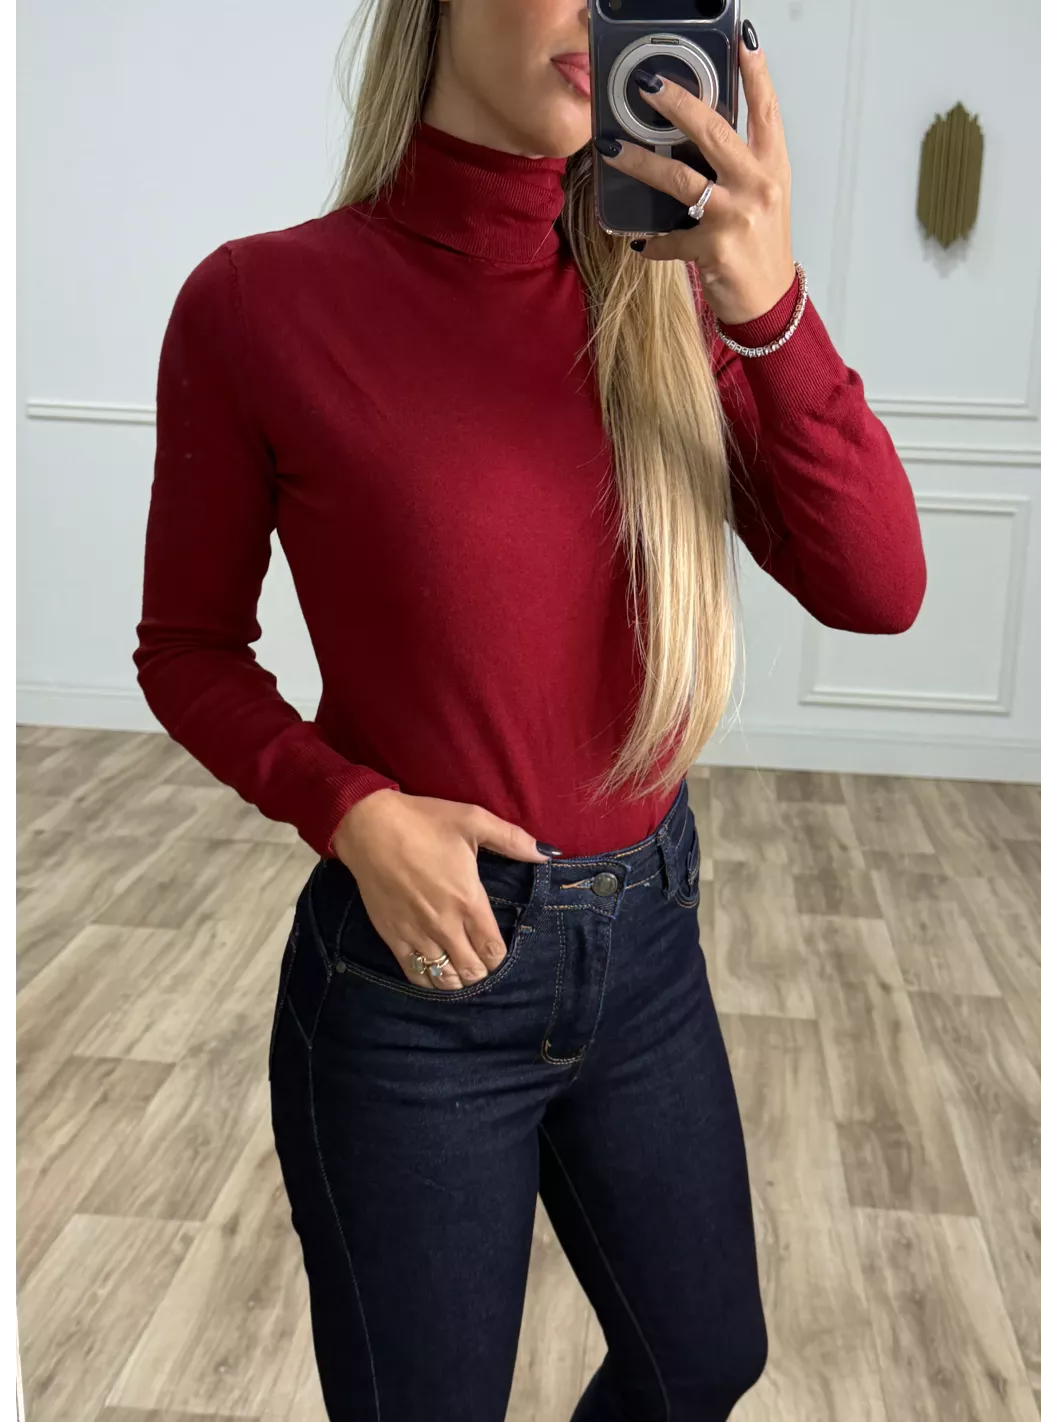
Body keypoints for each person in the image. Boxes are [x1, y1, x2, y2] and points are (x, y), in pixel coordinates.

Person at [133, 2, 926, 1418]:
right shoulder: (259, 304)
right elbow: (186, 649)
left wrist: (768, 304)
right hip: (417, 984)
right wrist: (351, 810)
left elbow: (880, 588)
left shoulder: (672, 302)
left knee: (704, 1358)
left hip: (649, 947)